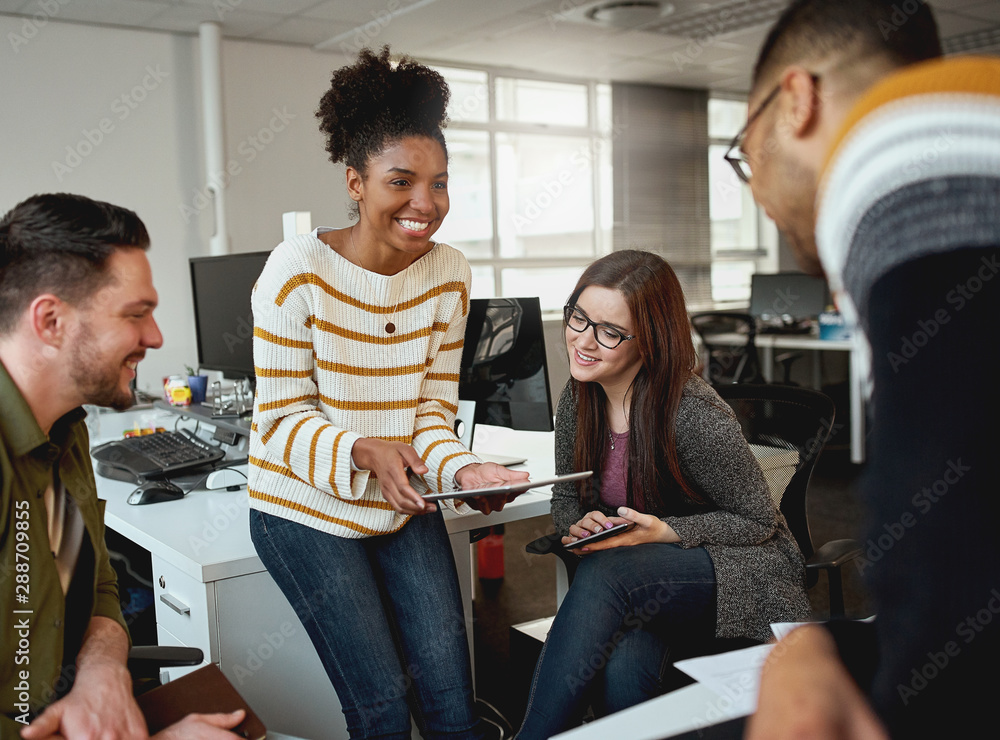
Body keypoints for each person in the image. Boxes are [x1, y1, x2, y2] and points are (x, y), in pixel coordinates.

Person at [728, 0, 1000, 736]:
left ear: (797, 100)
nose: (754, 187)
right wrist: (822, 647)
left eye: (744, 151)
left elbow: (956, 628)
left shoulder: (921, 195)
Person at [248, 47, 527, 740]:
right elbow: (280, 420)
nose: (425, 204)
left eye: (439, 183)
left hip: (400, 499)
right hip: (302, 507)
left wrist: (461, 470)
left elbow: (430, 413)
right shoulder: (296, 271)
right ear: (355, 182)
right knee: (378, 710)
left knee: (451, 705)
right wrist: (363, 450)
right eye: (401, 180)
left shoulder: (449, 274)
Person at [514, 250, 810, 739]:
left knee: (607, 571)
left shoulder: (690, 412)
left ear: (649, 341)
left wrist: (667, 530)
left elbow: (760, 521)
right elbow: (568, 497)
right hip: (648, 580)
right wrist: (576, 524)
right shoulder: (579, 397)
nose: (584, 341)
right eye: (579, 317)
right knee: (625, 665)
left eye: (609, 331)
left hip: (741, 569)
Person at [0, 193, 245, 738]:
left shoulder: (66, 429)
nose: (156, 338)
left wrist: (101, 670)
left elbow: (100, 585)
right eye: (137, 315)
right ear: (51, 321)